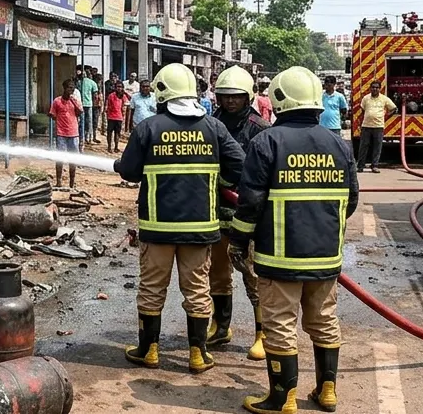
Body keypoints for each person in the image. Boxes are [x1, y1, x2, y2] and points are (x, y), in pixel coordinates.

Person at [229, 66, 358, 414]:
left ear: (279, 99)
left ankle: (282, 399)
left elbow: (250, 202)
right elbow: (352, 200)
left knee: (280, 325)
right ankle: (327, 391)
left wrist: (238, 242)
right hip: (325, 258)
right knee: (324, 321)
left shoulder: (267, 141)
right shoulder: (338, 143)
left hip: (279, 258)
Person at [115, 63, 245, 374]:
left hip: (158, 229)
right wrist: (219, 180)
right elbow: (241, 165)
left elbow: (131, 172)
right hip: (200, 229)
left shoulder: (148, 128)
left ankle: (148, 351)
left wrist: (121, 164)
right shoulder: (214, 128)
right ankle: (197, 354)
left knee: (151, 288)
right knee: (197, 289)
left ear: (161, 92)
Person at [208, 66, 272, 360]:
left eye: (236, 97)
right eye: (225, 97)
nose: (230, 102)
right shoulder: (210, 123)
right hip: (215, 214)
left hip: (246, 215)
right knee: (218, 272)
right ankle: (221, 327)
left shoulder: (260, 129)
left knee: (253, 275)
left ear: (247, 97)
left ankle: (263, 334)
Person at [49, 79, 82, 188]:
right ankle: (59, 181)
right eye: (69, 88)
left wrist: (74, 102)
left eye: (73, 88)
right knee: (60, 158)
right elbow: (52, 114)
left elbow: (80, 113)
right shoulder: (57, 101)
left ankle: (72, 182)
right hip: (61, 133)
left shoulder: (75, 100)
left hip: (73, 133)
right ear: (64, 88)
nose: (71, 90)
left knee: (73, 159)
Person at [357, 81, 395, 173]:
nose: (375, 89)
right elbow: (362, 110)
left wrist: (385, 117)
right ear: (370, 88)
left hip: (379, 126)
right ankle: (360, 166)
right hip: (366, 126)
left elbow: (393, 108)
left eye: (377, 87)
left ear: (380, 88)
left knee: (377, 147)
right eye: (373, 87)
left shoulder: (384, 99)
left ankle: (374, 166)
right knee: (363, 146)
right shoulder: (366, 98)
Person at [78, 69, 100, 146]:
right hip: (89, 104)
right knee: (89, 122)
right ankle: (89, 138)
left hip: (81, 104)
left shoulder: (79, 82)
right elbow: (95, 95)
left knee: (82, 121)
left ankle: (82, 137)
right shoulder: (92, 82)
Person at [105, 83, 127, 153]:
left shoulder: (123, 96)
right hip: (111, 117)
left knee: (117, 133)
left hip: (119, 117)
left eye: (120, 87)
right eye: (117, 87)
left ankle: (116, 147)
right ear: (115, 87)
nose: (119, 88)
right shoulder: (111, 95)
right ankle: (109, 147)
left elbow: (125, 105)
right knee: (109, 133)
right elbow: (108, 106)